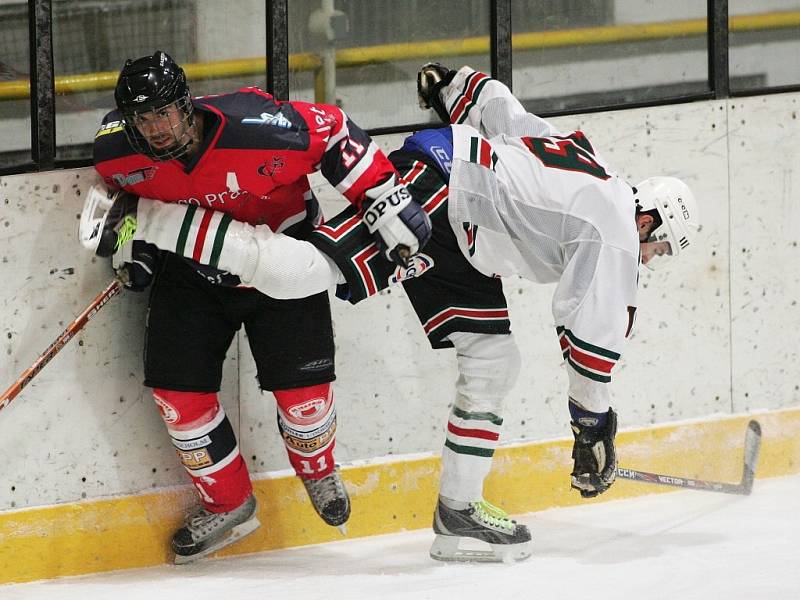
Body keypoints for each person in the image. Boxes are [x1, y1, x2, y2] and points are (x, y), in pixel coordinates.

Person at [83, 63, 699, 563]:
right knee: (301, 274)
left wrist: (454, 85)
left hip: (470, 229)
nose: (651, 256)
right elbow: (590, 339)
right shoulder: (619, 228)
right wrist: (594, 427)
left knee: (494, 358)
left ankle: (458, 512)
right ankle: (154, 220)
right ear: (652, 217)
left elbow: (503, 110)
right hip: (437, 188)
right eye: (661, 244)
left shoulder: (588, 158)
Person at [85, 50, 431, 564]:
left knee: (304, 398)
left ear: (186, 105)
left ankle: (318, 470)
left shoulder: (257, 126)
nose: (156, 128)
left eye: (164, 112)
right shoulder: (118, 153)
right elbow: (124, 202)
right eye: (143, 117)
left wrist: (380, 196)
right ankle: (227, 503)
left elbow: (333, 131)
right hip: (193, 270)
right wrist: (136, 248)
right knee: (178, 397)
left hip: (281, 260)